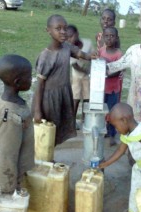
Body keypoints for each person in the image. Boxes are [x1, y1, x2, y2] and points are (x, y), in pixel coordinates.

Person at [32, 14, 97, 146]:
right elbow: (39, 85)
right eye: (58, 28)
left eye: (65, 28)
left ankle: (50, 156)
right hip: (49, 99)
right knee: (47, 130)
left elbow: (79, 53)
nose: (63, 32)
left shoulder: (66, 46)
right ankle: (44, 158)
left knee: (58, 127)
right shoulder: (47, 56)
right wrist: (37, 110)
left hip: (63, 94)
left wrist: (91, 56)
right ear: (48, 30)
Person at [0, 54, 35, 195]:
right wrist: (8, 189)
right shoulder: (11, 117)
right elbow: (7, 157)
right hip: (7, 173)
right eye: (29, 76)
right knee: (14, 208)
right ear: (17, 82)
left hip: (11, 167)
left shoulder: (10, 101)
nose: (32, 79)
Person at [100, 26, 123, 146]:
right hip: (101, 89)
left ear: (116, 38)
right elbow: (97, 63)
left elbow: (118, 70)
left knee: (113, 112)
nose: (109, 38)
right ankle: (105, 131)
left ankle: (112, 135)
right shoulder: (101, 51)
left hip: (113, 89)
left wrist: (106, 73)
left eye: (112, 36)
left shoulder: (118, 54)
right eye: (107, 36)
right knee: (102, 111)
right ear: (103, 37)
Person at [66, 24, 93, 129]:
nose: (69, 39)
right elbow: (74, 64)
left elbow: (92, 55)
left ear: (77, 34)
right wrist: (84, 71)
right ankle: (72, 121)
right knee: (75, 97)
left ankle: (84, 120)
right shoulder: (69, 48)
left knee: (87, 97)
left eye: (71, 36)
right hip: (76, 74)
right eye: (67, 37)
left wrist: (89, 70)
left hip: (88, 74)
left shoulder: (87, 43)